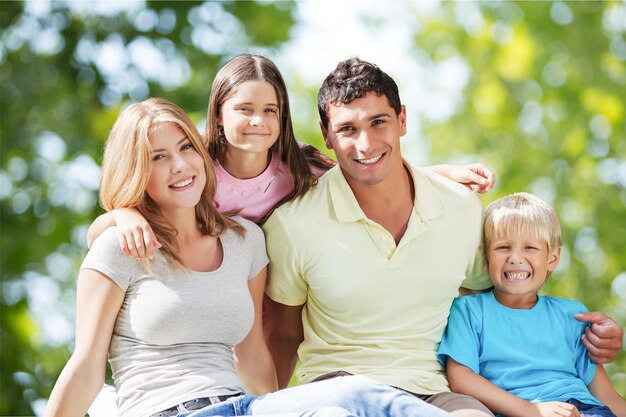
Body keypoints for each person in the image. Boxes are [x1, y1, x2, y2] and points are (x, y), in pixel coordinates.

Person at [44, 98, 457, 417]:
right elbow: (85, 369)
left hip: (242, 406)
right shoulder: (121, 247)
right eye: (158, 157)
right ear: (136, 170)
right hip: (166, 409)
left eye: (186, 147)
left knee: (353, 398)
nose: (181, 165)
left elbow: (254, 356)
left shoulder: (245, 242)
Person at [261, 57, 624, 417]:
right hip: (338, 388)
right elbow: (283, 337)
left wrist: (584, 337)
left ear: (402, 119)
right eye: (347, 129)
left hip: (434, 390)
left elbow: (503, 299)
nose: (366, 144)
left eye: (378, 122)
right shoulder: (294, 224)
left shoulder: (460, 207)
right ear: (326, 134)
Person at [86, 54, 496, 257]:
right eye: (244, 110)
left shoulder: (299, 167)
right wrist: (125, 214)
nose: (258, 122)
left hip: (271, 290)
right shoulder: (194, 167)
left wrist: (439, 173)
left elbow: (366, 168)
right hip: (210, 285)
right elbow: (99, 230)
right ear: (218, 114)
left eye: (270, 111)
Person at [437, 192, 625, 417]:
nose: (515, 258)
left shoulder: (572, 316)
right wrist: (531, 410)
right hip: (519, 410)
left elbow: (608, 396)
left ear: (552, 258)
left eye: (530, 248)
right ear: (487, 256)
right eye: (503, 247)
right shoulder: (469, 310)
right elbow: (461, 379)